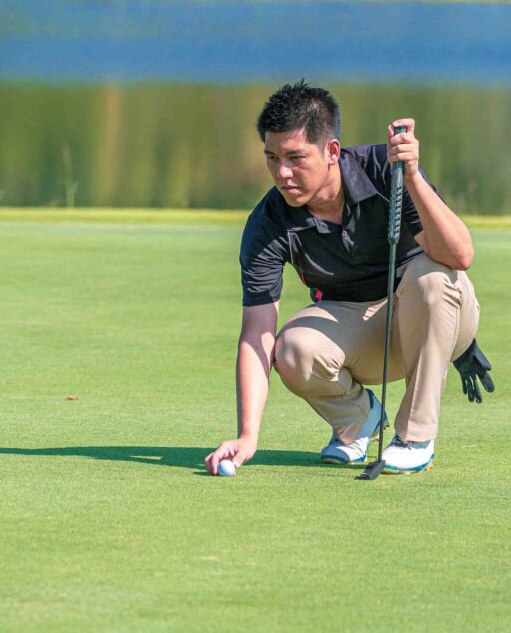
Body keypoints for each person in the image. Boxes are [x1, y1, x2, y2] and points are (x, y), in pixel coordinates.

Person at [205, 80, 494, 476]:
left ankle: (414, 437)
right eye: (272, 157)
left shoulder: (385, 171)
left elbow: (460, 255)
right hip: (365, 335)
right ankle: (359, 420)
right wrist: (248, 434)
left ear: (332, 151)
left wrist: (411, 177)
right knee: (292, 349)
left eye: (295, 157)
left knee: (431, 277)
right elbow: (257, 334)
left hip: (441, 313)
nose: (282, 172)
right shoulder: (268, 223)